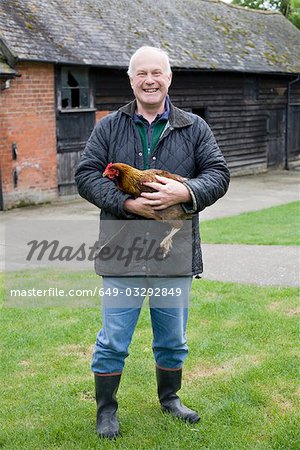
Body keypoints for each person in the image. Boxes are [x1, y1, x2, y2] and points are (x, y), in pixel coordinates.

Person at [75, 46, 230, 439]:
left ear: (168, 78)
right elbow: (86, 175)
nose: (149, 79)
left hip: (173, 253)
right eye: (141, 73)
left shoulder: (194, 127)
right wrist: (127, 203)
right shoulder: (109, 126)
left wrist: (185, 193)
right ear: (131, 80)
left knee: (173, 337)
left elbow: (219, 173)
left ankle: (170, 398)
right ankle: (106, 410)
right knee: (113, 338)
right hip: (122, 251)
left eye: (156, 73)